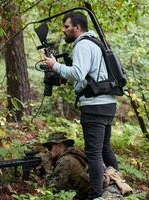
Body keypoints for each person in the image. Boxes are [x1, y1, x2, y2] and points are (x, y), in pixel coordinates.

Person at [44, 12, 119, 199]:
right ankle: (117, 184)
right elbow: (87, 77)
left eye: (67, 26)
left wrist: (54, 65)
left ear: (77, 27)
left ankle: (95, 194)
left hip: (95, 106)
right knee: (104, 148)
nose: (64, 30)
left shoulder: (83, 44)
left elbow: (78, 73)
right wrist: (63, 72)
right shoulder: (95, 43)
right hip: (107, 103)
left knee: (93, 153)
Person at [41, 132, 90, 200]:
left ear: (60, 145)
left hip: (87, 196)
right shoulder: (73, 154)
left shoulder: (65, 160)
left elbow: (53, 188)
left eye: (50, 147)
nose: (49, 151)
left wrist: (47, 166)